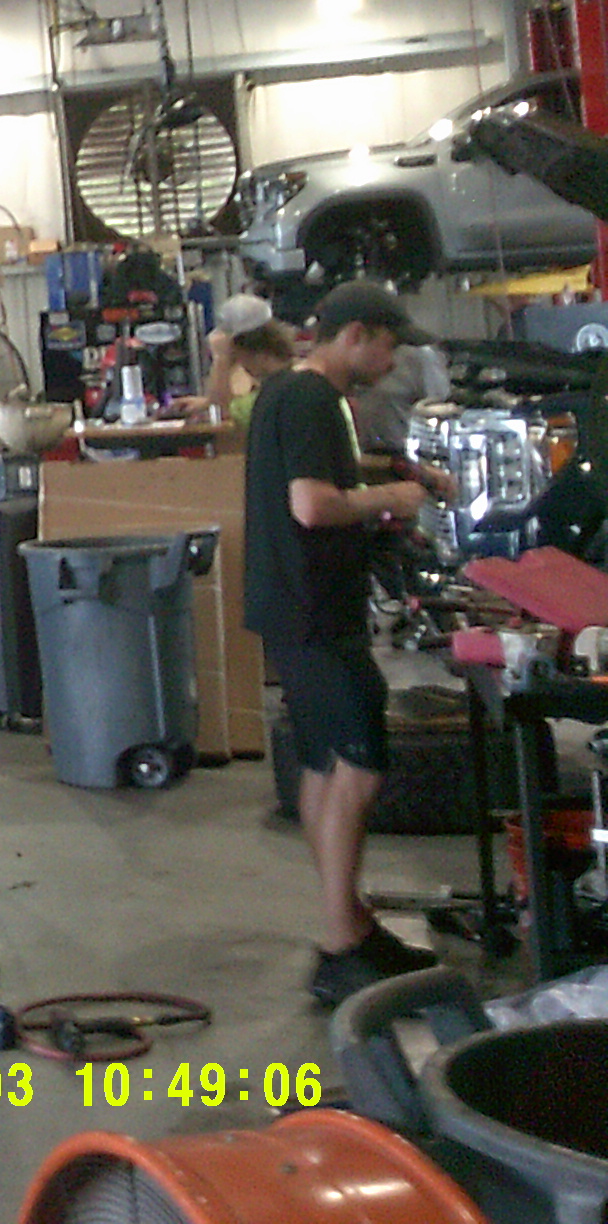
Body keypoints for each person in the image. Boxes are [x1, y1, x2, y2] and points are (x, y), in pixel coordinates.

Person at [242, 280, 455, 1006]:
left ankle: (351, 924)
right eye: (388, 347)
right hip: (315, 611)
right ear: (356, 334)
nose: (392, 363)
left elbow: (319, 473)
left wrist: (398, 471)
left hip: (294, 607)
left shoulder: (292, 391)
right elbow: (312, 503)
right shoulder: (310, 399)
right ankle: (340, 942)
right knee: (358, 770)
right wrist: (390, 500)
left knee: (324, 764)